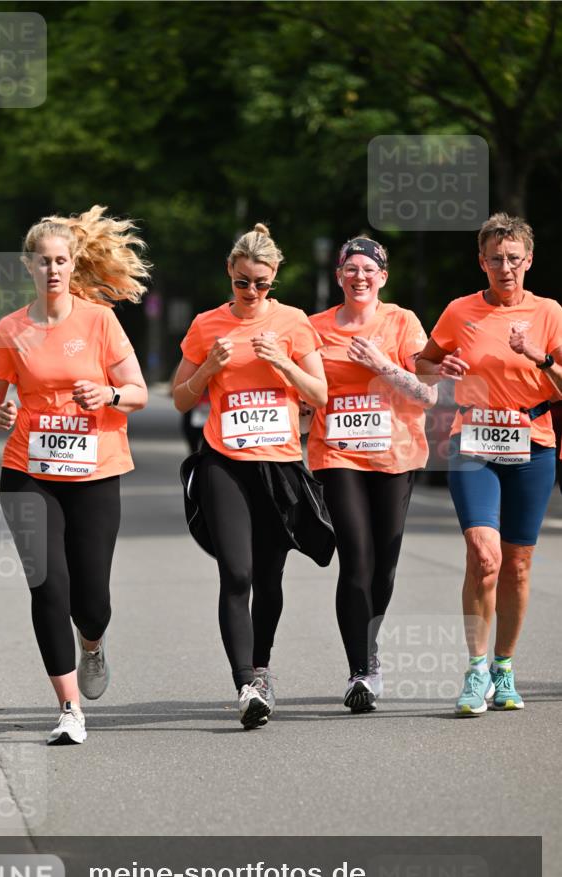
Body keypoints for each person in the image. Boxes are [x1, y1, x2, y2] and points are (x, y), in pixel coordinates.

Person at [0, 205, 149, 746]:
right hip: (28, 470)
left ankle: (91, 643)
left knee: (90, 600)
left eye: (61, 260)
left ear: (73, 264)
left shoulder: (99, 321)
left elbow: (138, 392)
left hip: (95, 470)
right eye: (43, 261)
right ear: (28, 265)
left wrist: (108, 394)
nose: (52, 269)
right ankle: (69, 707)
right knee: (48, 585)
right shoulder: (11, 330)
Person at [173, 223, 333, 729]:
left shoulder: (294, 322)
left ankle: (261, 668)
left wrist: (283, 361)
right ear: (229, 271)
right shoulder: (206, 325)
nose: (251, 291)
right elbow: (180, 397)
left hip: (278, 465)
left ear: (275, 277)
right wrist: (207, 369)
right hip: (223, 462)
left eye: (262, 284)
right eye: (242, 281)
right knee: (236, 574)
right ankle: (245, 685)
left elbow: (320, 394)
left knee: (268, 578)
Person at [416, 213, 562, 716]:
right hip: (473, 442)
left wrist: (540, 357)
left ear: (529, 260)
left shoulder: (549, 312)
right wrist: (442, 366)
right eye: (496, 259)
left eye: (514, 258)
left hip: (532, 444)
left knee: (517, 565)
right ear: (482, 262)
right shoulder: (460, 311)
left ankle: (504, 667)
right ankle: (476, 668)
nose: (506, 267)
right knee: (484, 555)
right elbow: (422, 363)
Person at [307, 236, 437, 713]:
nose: (359, 277)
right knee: (356, 561)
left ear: (383, 277)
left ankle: (370, 643)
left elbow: (428, 395)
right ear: (339, 276)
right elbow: (304, 391)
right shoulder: (314, 328)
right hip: (337, 455)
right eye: (351, 269)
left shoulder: (402, 322)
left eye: (369, 269)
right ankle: (359, 670)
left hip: (395, 456)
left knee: (384, 568)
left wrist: (381, 364)